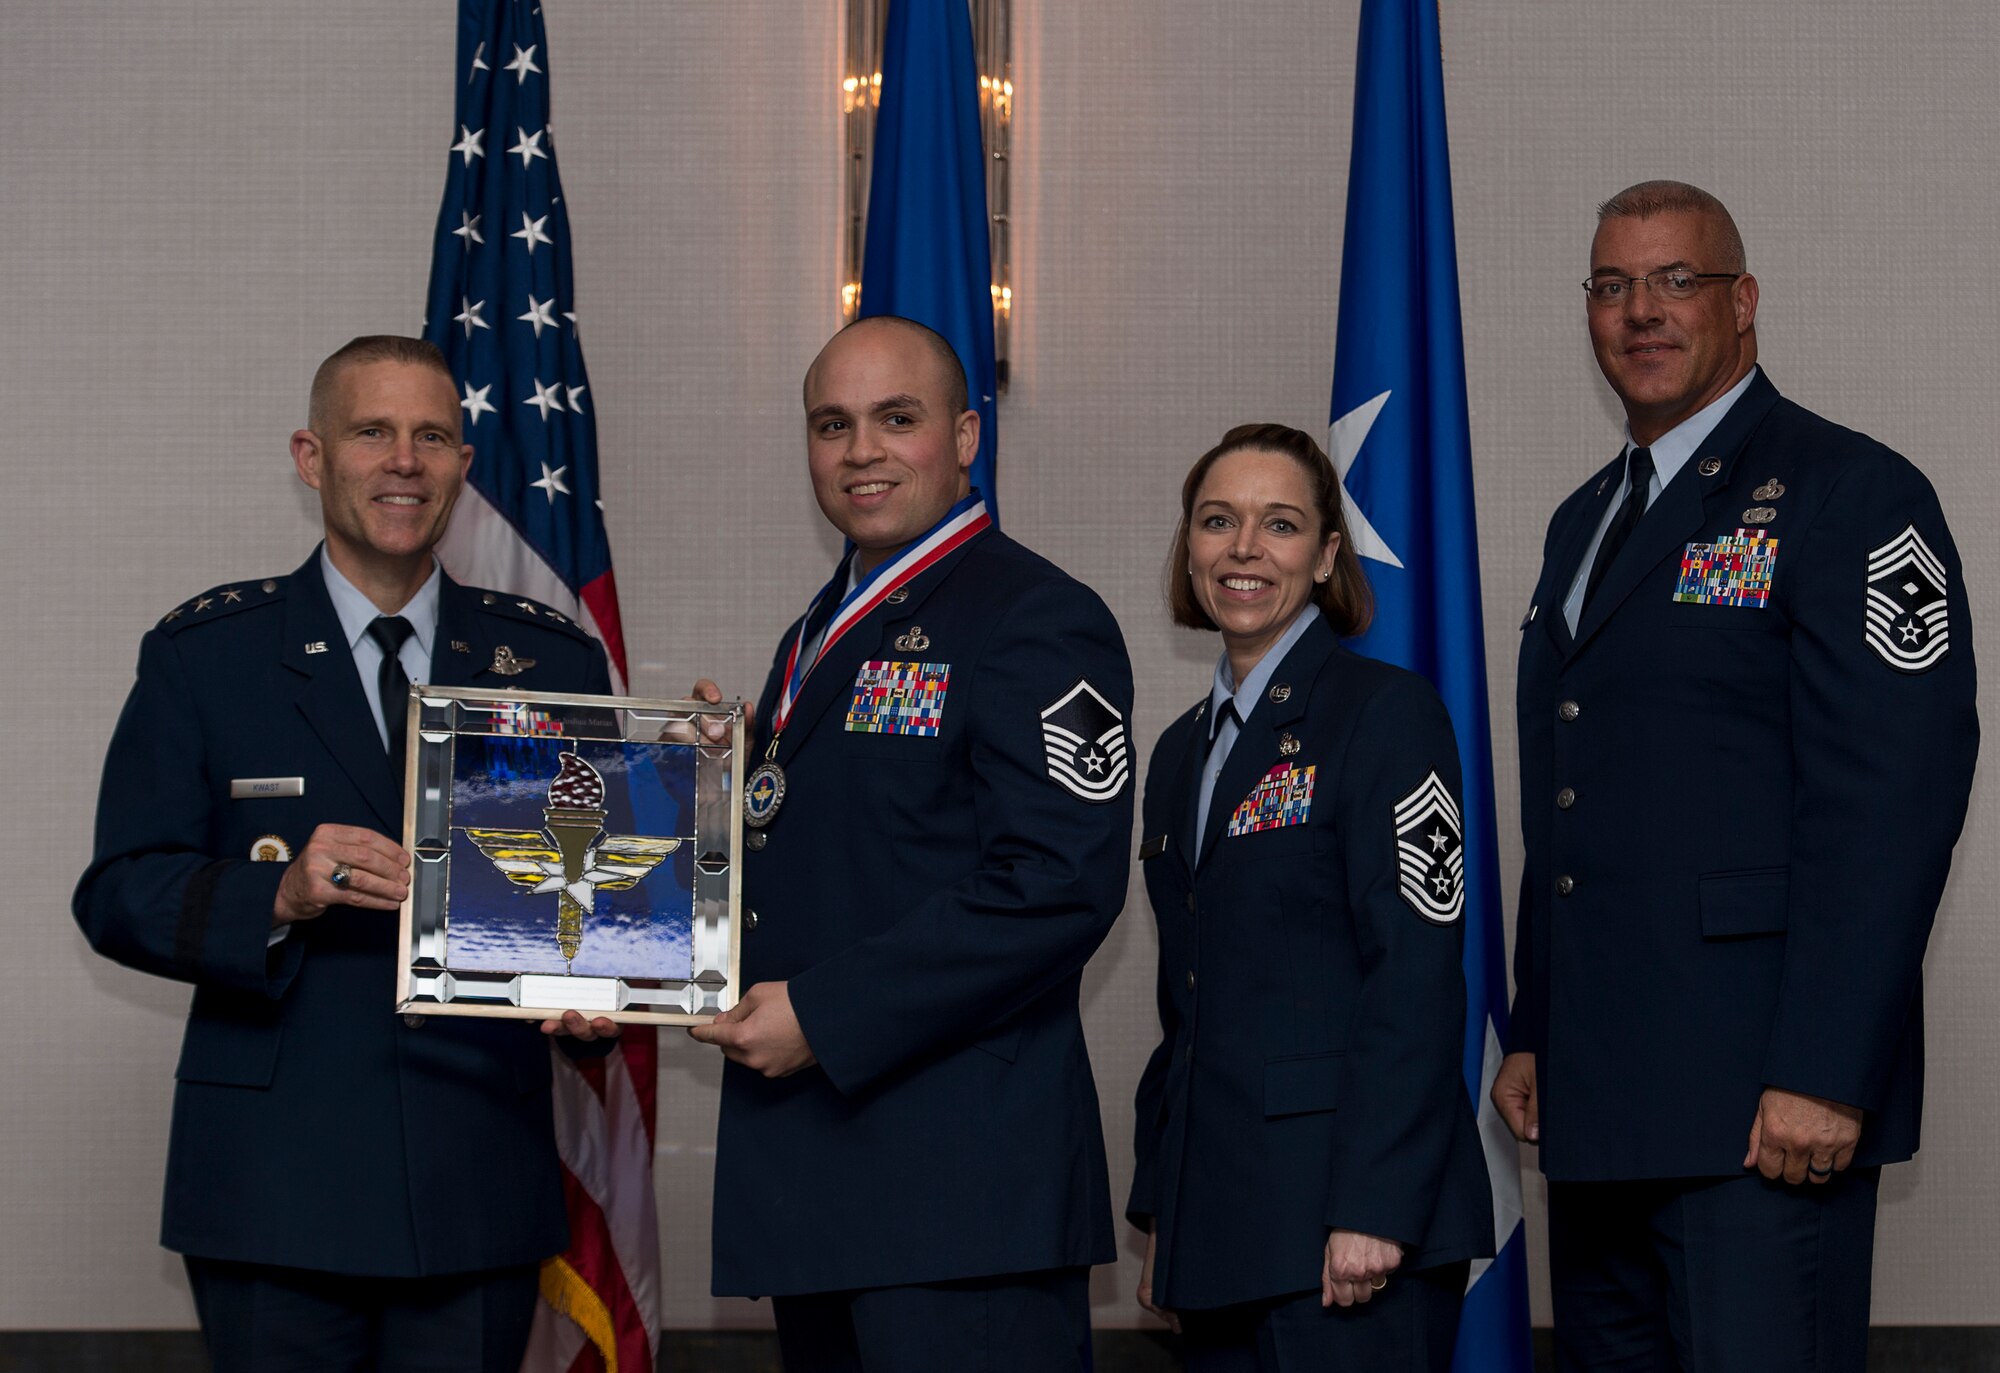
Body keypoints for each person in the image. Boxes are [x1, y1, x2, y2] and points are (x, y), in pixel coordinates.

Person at [1494, 181, 1979, 1370]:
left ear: (1742, 301)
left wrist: (1824, 1069)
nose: (1639, 312)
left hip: (1760, 1114)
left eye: (1675, 280)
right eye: (1610, 285)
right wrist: (1535, 1025)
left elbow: (1889, 799)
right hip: (1600, 1106)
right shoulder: (1581, 521)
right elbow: (1570, 803)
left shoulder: (1849, 493)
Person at [73, 336, 620, 1373]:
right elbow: (116, 891)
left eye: (430, 436)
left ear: (464, 462)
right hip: (272, 1189)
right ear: (311, 455)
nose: (403, 460)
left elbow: (583, 893)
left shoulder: (551, 659)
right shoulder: (208, 657)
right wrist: (272, 892)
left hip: (474, 1176)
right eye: (371, 431)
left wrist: (598, 999)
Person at [685, 315, 1135, 1371]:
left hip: (959, 1204)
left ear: (966, 435)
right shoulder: (818, 632)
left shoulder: (1034, 614)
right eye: (831, 424)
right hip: (823, 1191)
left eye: (897, 418)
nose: (860, 451)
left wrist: (825, 1014)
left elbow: (1058, 882)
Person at [1127, 424, 1493, 1370]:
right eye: (1218, 521)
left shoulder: (1385, 714)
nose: (1243, 548)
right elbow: (1191, 1006)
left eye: (1279, 524)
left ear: (1328, 552)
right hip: (1220, 1232)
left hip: (1351, 1228)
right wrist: (1165, 1208)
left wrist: (1374, 1207)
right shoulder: (1176, 755)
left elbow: (1415, 975)